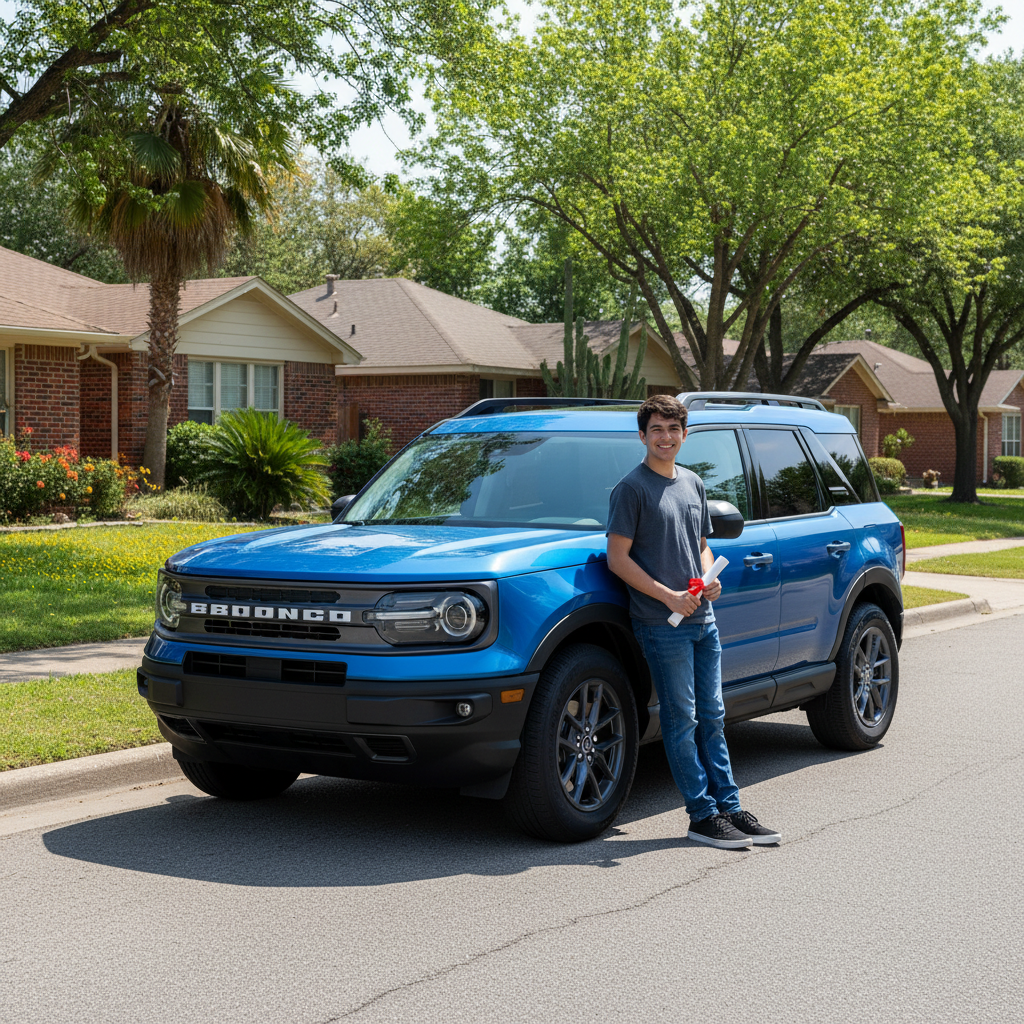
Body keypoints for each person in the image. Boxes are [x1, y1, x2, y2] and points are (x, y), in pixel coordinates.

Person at [606, 394, 781, 849]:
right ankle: (702, 816)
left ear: (685, 435)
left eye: (673, 429)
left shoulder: (692, 483)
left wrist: (708, 579)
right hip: (661, 624)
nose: (666, 438)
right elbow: (618, 559)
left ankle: (731, 807)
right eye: (657, 430)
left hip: (703, 619)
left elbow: (700, 543)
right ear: (643, 436)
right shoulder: (631, 489)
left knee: (714, 716)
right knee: (682, 721)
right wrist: (668, 597)